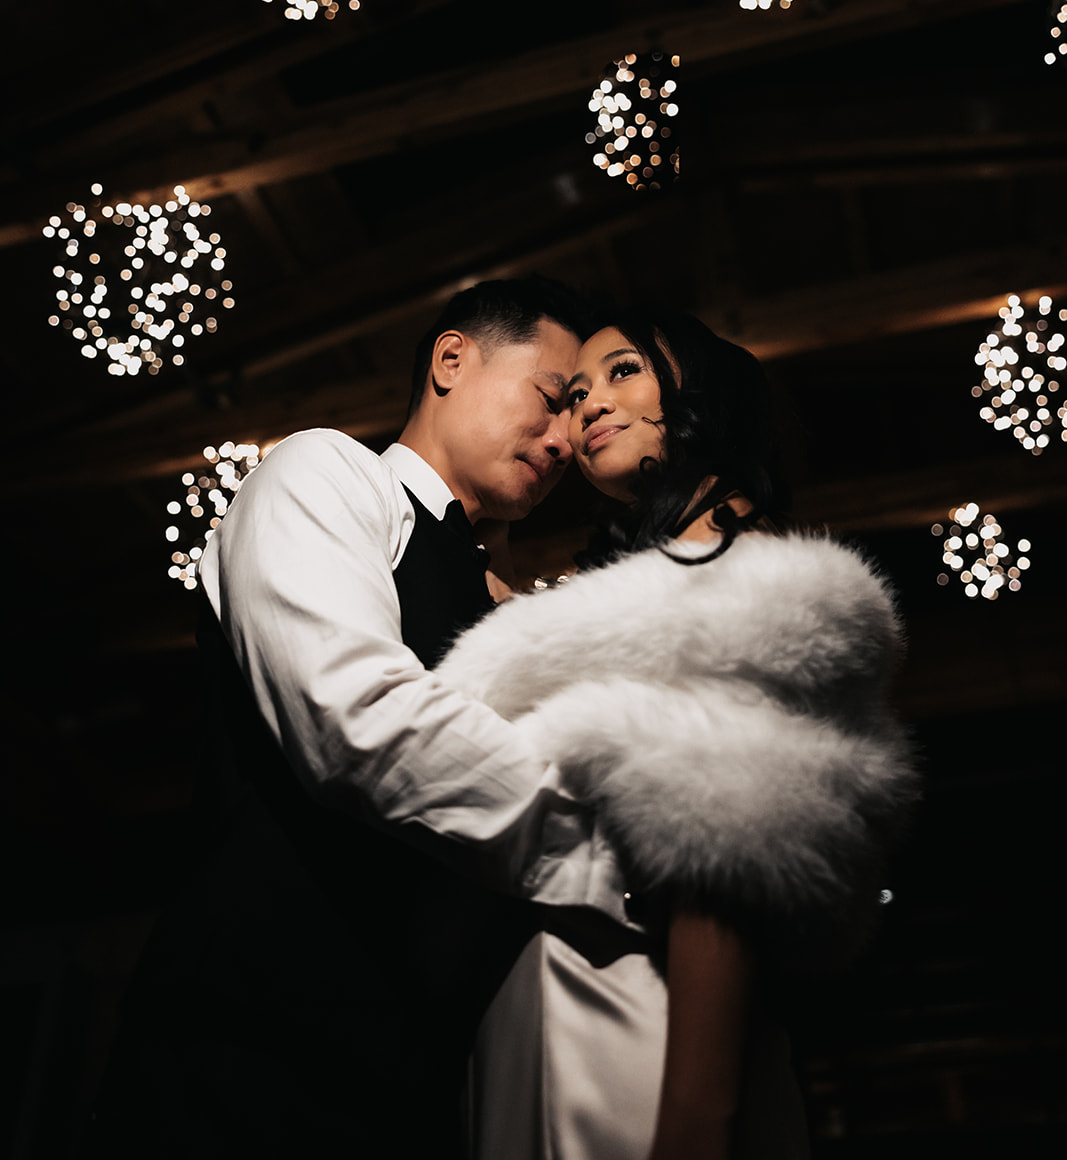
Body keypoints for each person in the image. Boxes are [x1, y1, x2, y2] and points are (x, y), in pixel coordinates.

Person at [84, 277, 641, 1160]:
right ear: (451, 359)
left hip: (423, 1083)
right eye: (546, 400)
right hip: (250, 1055)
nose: (563, 437)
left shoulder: (515, 606)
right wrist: (614, 857)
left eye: (575, 419)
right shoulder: (326, 472)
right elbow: (351, 718)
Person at [438, 309, 917, 1160]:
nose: (586, 407)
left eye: (622, 372)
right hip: (551, 1018)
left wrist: (695, 1121)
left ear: (701, 394)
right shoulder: (631, 609)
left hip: (642, 1041)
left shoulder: (740, 596)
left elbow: (722, 859)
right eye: (574, 391)